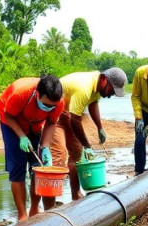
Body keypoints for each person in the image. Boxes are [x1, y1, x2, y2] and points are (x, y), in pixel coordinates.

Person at [51, 68, 127, 199]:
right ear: (104, 79)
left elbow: (93, 104)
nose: (111, 95)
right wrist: (87, 145)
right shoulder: (84, 88)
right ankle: (51, 201)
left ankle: (75, 195)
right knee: (59, 154)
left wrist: (100, 127)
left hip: (67, 112)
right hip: (54, 113)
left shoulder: (97, 86)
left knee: (77, 154)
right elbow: (75, 119)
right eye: (111, 90)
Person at [0, 74, 64, 221]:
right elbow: (8, 115)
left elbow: (51, 122)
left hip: (34, 124)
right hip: (11, 121)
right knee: (18, 167)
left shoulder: (58, 102)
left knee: (37, 167)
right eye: (46, 105)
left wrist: (45, 146)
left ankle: (34, 209)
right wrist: (21, 136)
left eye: (52, 106)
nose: (49, 109)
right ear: (38, 94)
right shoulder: (21, 93)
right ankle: (22, 215)